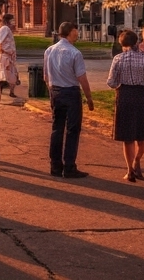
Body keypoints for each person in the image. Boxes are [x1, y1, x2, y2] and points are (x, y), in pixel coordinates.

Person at [106, 30, 144, 182]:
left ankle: (129, 170)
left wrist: (119, 84)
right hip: (140, 95)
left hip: (125, 95)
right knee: (143, 134)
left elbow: (111, 82)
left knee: (127, 136)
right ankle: (137, 160)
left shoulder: (118, 59)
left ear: (121, 44)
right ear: (136, 43)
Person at [44, 22, 94, 177]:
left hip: (56, 91)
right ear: (70, 32)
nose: (77, 33)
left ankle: (55, 165)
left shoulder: (50, 51)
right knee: (72, 130)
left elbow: (46, 76)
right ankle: (69, 165)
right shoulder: (74, 53)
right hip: (71, 92)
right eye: (75, 30)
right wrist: (89, 97)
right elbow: (81, 77)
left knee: (57, 128)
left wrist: (51, 93)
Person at [0, 14, 20, 98]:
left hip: (9, 56)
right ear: (8, 21)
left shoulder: (7, 29)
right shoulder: (4, 29)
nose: (13, 22)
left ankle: (11, 91)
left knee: (11, 75)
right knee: (5, 75)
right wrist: (1, 51)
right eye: (12, 20)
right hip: (5, 56)